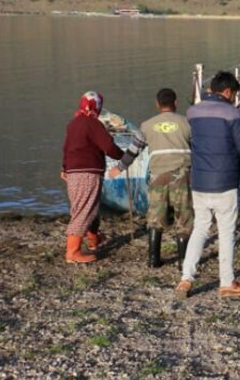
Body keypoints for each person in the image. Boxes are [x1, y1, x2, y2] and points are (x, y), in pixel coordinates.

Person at [176, 72, 240, 299]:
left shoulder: (192, 113)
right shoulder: (233, 115)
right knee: (226, 232)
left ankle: (185, 279)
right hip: (225, 183)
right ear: (229, 92)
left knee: (200, 229)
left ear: (212, 89)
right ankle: (226, 282)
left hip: (199, 182)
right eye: (235, 94)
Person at [110, 88, 194, 269]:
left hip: (158, 176)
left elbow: (133, 150)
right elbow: (200, 148)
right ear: (176, 103)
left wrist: (119, 168)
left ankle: (153, 260)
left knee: (156, 216)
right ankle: (183, 262)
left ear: (157, 104)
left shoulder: (147, 126)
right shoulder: (187, 123)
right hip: (182, 174)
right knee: (184, 216)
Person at [61, 91, 124, 264]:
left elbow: (66, 148)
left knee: (85, 207)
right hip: (88, 171)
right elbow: (109, 148)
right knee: (83, 210)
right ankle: (72, 252)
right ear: (96, 106)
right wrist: (124, 157)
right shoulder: (92, 123)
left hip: (73, 172)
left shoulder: (73, 124)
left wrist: (64, 168)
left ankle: (93, 240)